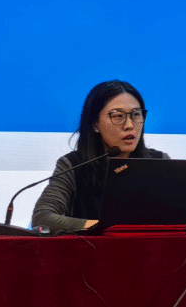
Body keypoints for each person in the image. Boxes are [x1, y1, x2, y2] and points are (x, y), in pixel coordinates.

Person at [32, 80, 168, 233]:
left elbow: (184, 217)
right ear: (95, 124)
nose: (129, 125)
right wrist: (103, 228)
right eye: (118, 116)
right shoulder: (73, 165)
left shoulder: (160, 163)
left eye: (136, 115)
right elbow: (42, 218)